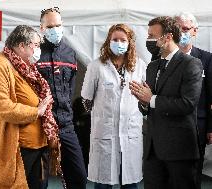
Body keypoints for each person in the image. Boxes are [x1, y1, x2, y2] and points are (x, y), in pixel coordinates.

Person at [0, 25, 59, 189]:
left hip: (37, 148)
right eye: (36, 45)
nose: (38, 50)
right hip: (19, 150)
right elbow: (1, 106)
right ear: (22, 45)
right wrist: (37, 111)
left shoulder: (24, 66)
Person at [129, 16, 203, 189]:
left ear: (168, 37)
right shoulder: (152, 66)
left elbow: (187, 104)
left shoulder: (191, 64)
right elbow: (147, 107)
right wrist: (143, 102)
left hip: (179, 150)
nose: (148, 40)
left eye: (152, 36)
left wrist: (151, 99)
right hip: (153, 150)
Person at [81, 24, 146, 189]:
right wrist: (104, 115)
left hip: (130, 134)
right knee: (103, 183)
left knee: (130, 183)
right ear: (108, 42)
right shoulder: (96, 66)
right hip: (105, 134)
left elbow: (146, 97)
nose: (119, 43)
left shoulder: (140, 66)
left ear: (130, 42)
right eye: (115, 39)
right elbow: (86, 99)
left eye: (123, 40)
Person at [36, 7, 87, 189]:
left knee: (79, 177)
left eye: (58, 25)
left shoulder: (70, 53)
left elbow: (71, 87)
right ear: (42, 28)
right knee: (39, 182)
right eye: (50, 26)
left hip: (66, 125)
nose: (54, 30)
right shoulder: (34, 53)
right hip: (39, 126)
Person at [175, 12, 212, 189]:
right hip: (170, 125)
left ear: (195, 31)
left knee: (193, 172)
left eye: (185, 29)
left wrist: (211, 127)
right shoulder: (162, 58)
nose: (181, 32)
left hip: (198, 124)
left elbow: (211, 96)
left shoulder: (207, 59)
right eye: (177, 28)